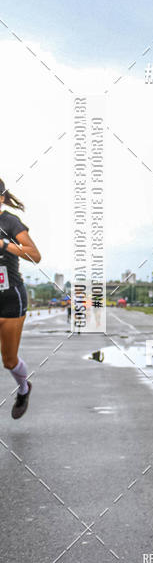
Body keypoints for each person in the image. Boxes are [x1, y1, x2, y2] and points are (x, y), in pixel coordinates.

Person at [0, 179, 41, 419]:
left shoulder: (10, 222)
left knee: (9, 360)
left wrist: (5, 245)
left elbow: (35, 255)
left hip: (10, 298)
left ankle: (24, 388)